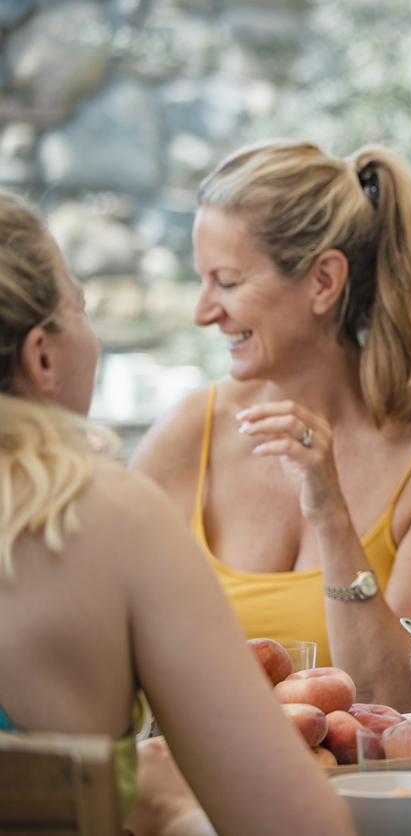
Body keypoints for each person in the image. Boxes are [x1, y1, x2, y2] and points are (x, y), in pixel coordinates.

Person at [0, 191, 353, 836]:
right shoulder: (106, 516)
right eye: (79, 305)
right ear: (42, 357)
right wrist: (170, 811)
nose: (202, 312)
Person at [133, 139, 411, 711]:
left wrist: (331, 515)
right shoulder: (191, 431)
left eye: (228, 282)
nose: (203, 312)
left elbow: (405, 705)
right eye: (203, 280)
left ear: (323, 282)